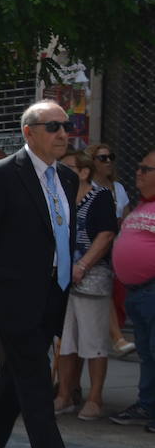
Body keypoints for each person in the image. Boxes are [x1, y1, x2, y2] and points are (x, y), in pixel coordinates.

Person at [0, 101, 102, 448]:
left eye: (67, 126)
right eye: (53, 127)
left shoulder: (65, 176)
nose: (63, 134)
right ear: (29, 132)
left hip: (51, 296)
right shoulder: (3, 174)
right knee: (38, 384)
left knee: (14, 382)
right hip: (12, 298)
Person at [53, 149, 118, 420]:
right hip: (64, 279)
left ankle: (95, 398)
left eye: (69, 168)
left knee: (94, 341)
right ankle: (65, 394)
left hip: (92, 278)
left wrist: (82, 265)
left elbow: (105, 234)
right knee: (66, 341)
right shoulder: (60, 198)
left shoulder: (100, 196)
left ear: (84, 172)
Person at [111, 150, 155, 429]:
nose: (138, 172)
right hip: (137, 292)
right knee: (147, 352)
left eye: (146, 169)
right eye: (138, 167)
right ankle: (147, 405)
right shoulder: (141, 206)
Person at [89, 142, 136, 355]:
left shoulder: (118, 188)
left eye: (111, 157)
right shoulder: (86, 188)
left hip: (117, 249)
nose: (108, 162)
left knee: (116, 295)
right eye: (102, 158)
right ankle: (116, 337)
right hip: (95, 248)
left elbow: (127, 218)